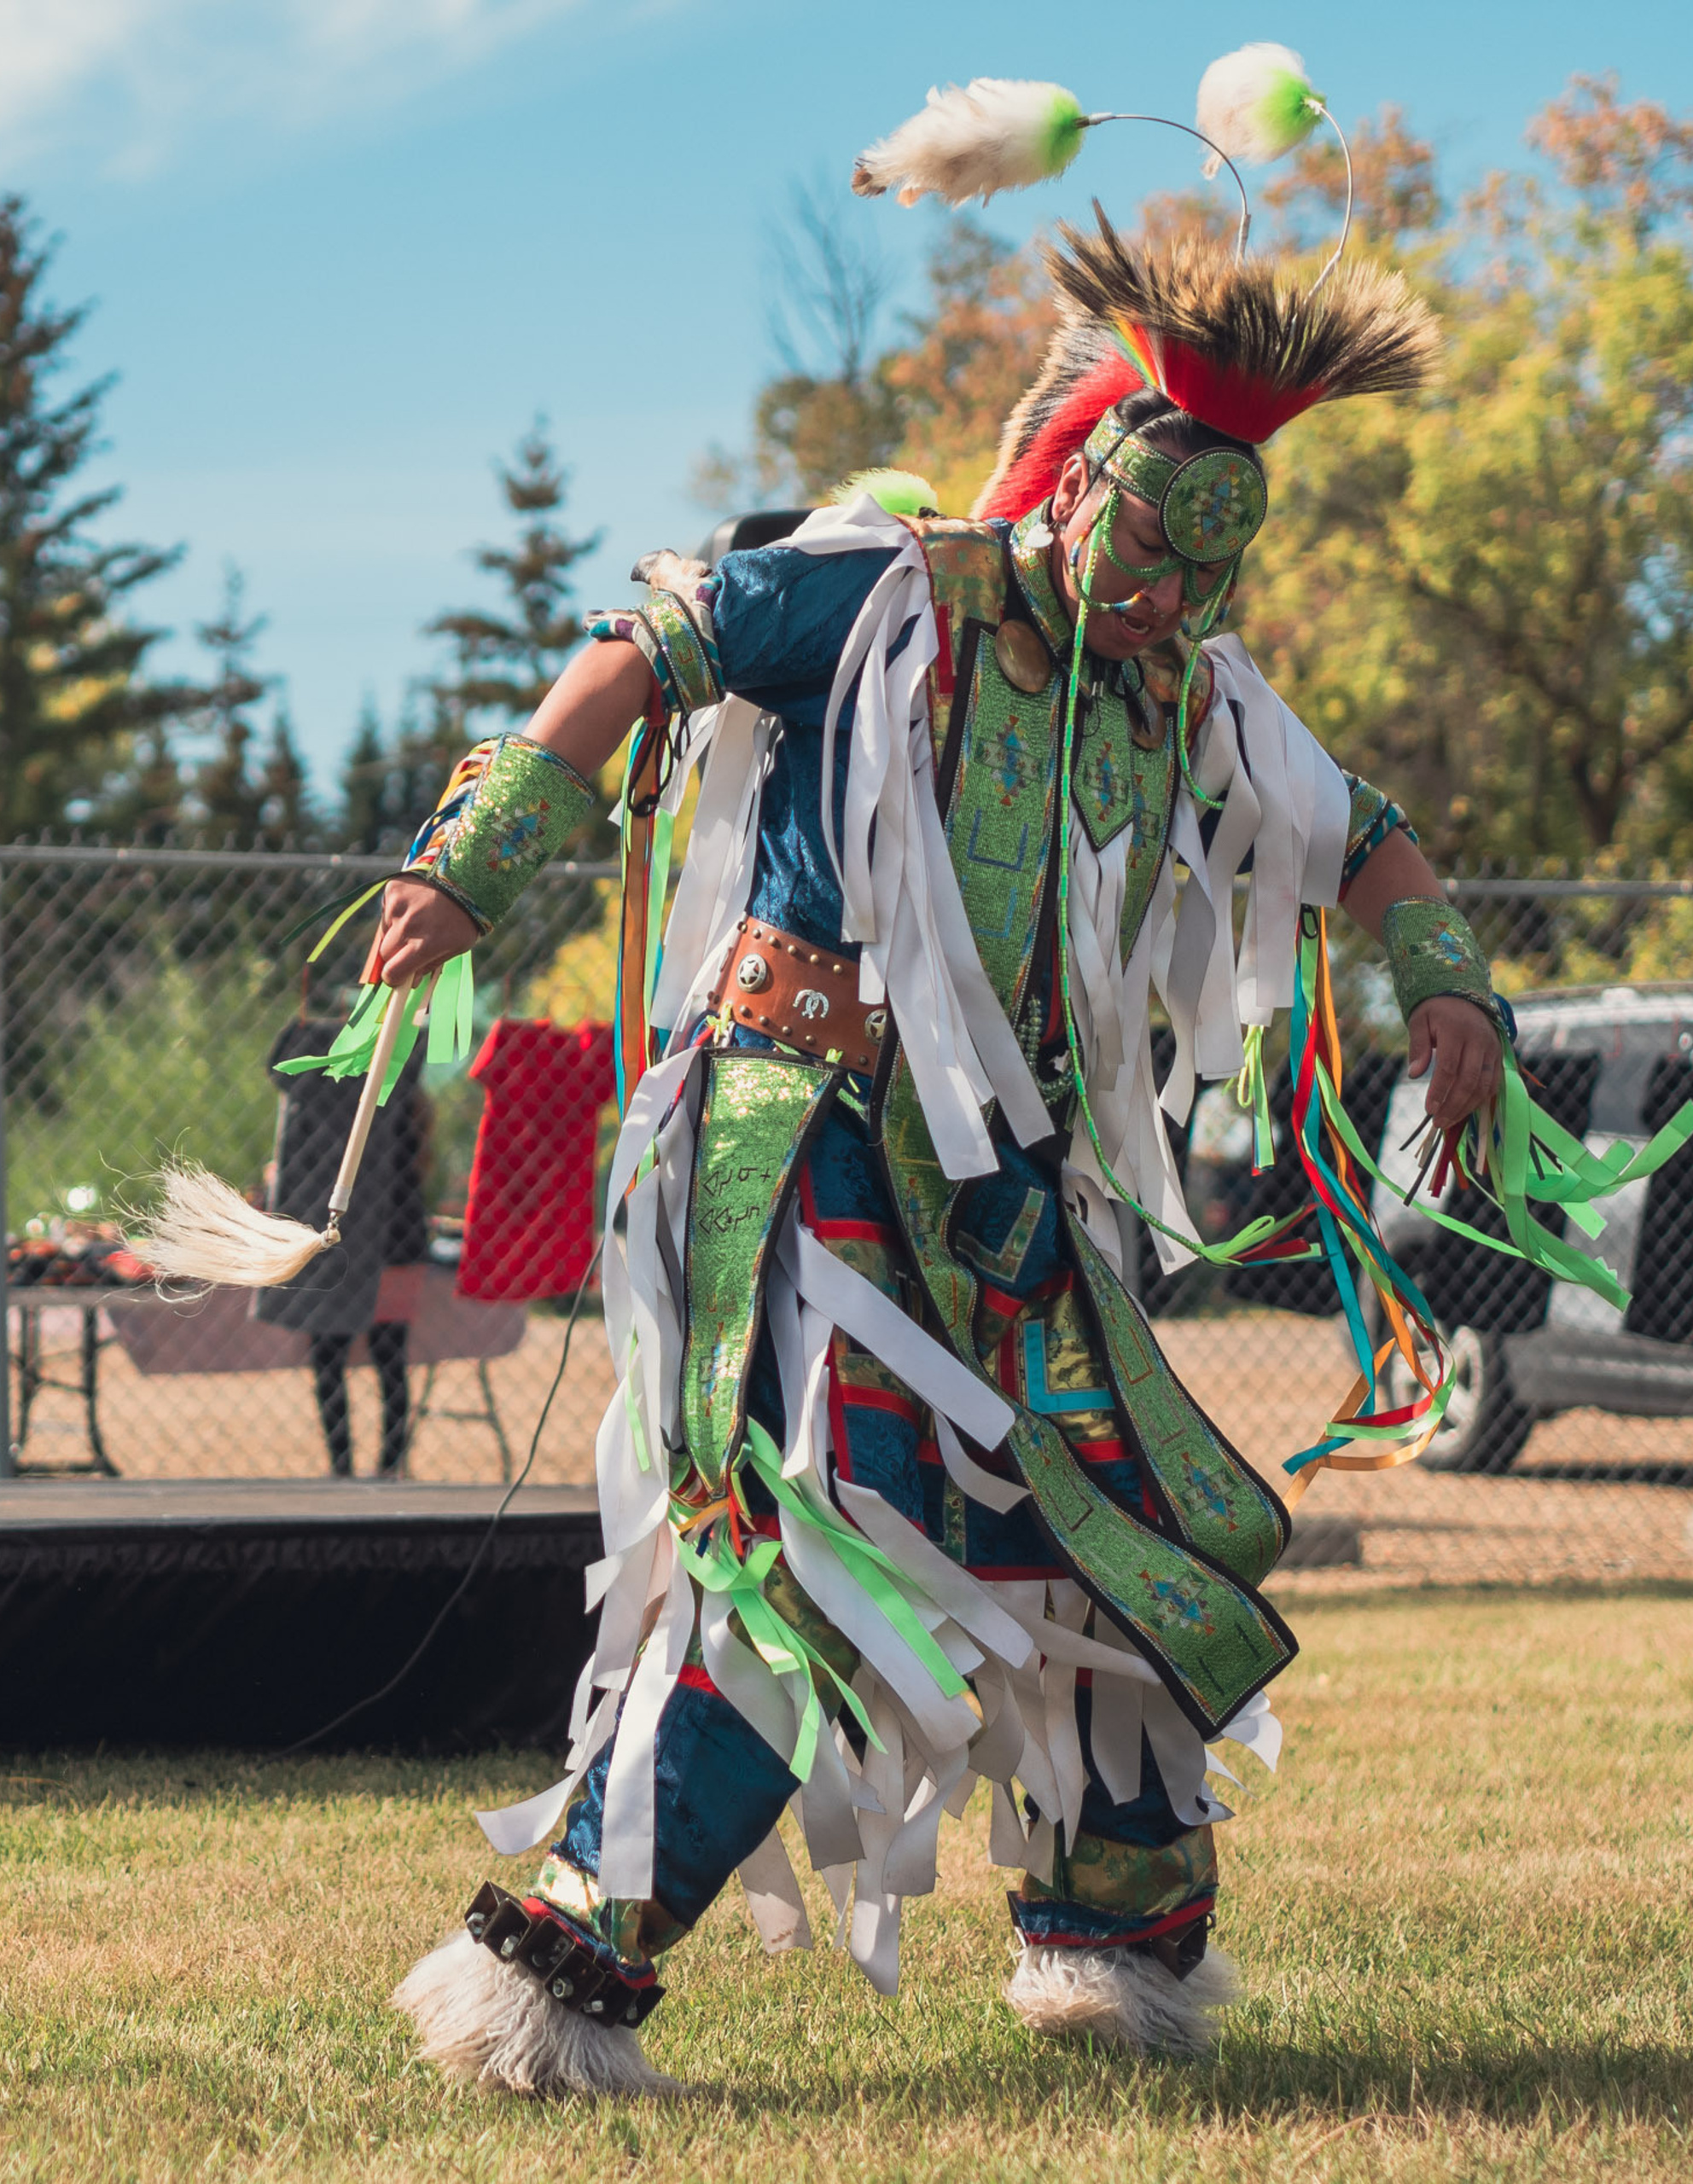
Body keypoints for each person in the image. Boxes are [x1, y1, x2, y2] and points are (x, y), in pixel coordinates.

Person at [345, 61, 1619, 2097]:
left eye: (1205, 575)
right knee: (819, 1545)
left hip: (1007, 1185)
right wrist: (471, 854)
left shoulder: (1177, 690)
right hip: (797, 1138)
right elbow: (655, 639)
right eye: (1146, 548)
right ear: (1074, 482)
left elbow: (1358, 827)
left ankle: (1110, 1951)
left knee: (1122, 1534)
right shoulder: (885, 590)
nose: (1166, 599)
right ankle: (547, 1977)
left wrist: (1444, 982)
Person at [256, 1013, 429, 1477]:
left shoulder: (312, 1089)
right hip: (395, 1239)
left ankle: (344, 1467)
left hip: (353, 1243)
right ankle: (387, 1466)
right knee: (388, 1358)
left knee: (330, 1357)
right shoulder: (400, 1088)